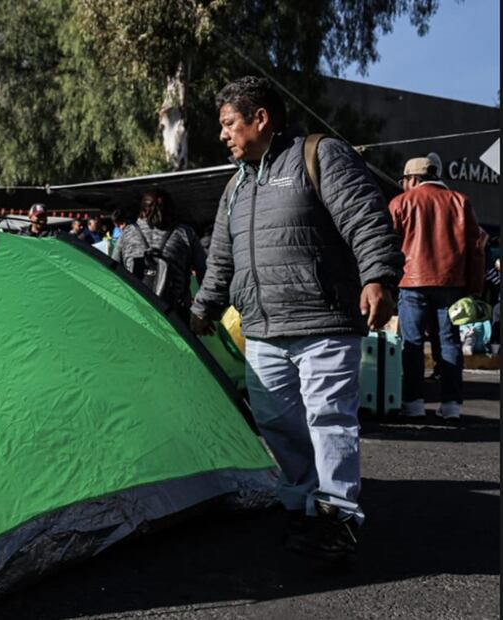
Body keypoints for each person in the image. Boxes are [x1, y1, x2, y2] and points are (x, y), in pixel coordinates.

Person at [189, 76, 402, 562]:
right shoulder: (236, 185)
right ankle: (302, 505)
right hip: (263, 331)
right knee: (278, 425)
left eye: (229, 123)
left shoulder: (320, 155)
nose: (223, 134)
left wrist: (378, 278)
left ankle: (337, 518)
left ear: (260, 118)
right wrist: (204, 307)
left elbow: (366, 217)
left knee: (329, 420)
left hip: (323, 322)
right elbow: (221, 256)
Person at [389, 157, 483, 420]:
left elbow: (387, 245)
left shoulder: (401, 202)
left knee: (413, 342)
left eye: (405, 180)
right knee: (450, 342)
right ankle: (451, 405)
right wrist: (475, 288)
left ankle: (413, 403)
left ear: (414, 179)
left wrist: (384, 283)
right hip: (452, 283)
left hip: (411, 282)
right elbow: (476, 249)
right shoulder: (460, 201)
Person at [114, 189, 207, 316]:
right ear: (171, 209)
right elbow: (204, 274)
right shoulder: (185, 233)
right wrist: (202, 310)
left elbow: (113, 273)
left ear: (142, 209)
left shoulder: (126, 234)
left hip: (136, 312)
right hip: (175, 315)